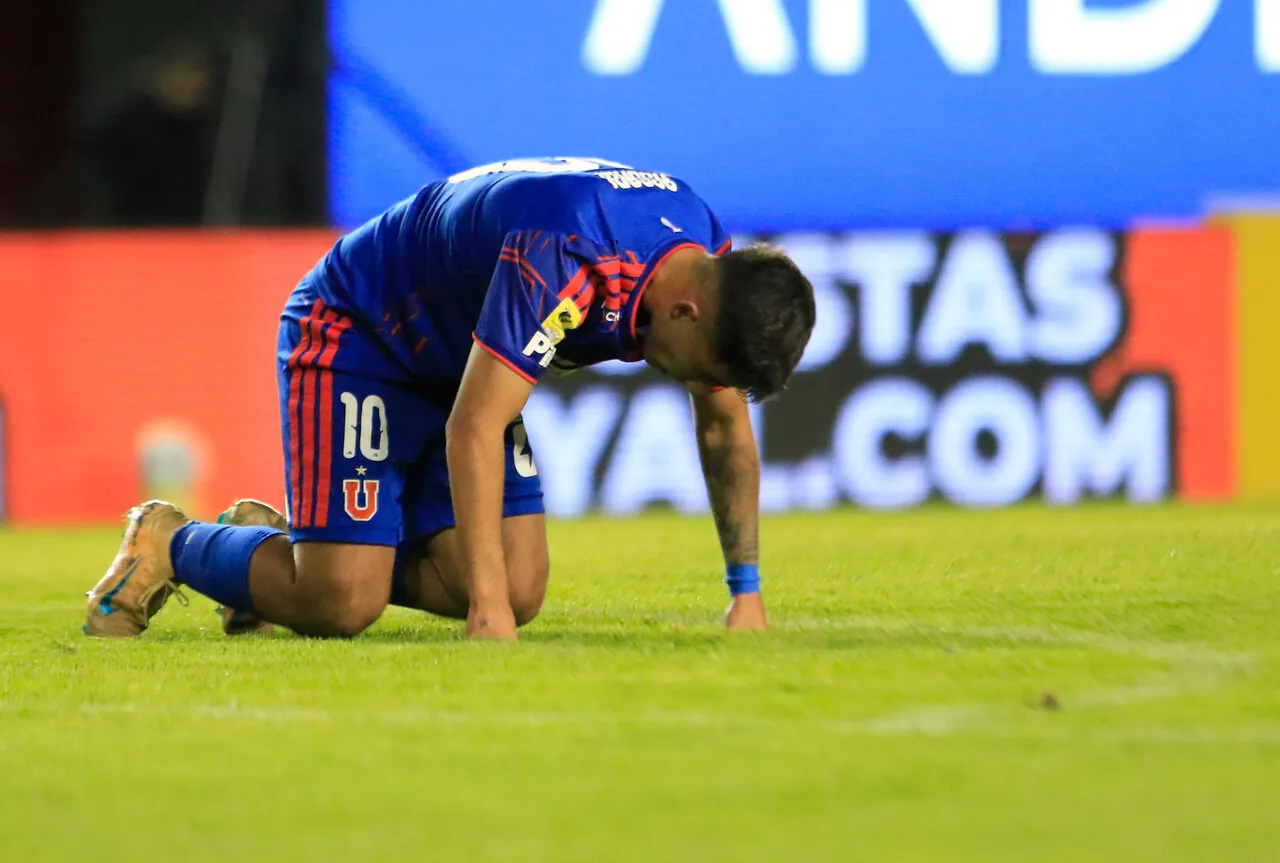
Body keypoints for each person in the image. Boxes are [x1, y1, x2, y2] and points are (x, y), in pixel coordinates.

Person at [83, 157, 815, 641]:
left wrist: (744, 593)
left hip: (461, 357)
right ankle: (172, 541)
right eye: (702, 370)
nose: (698, 384)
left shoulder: (706, 257)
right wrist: (484, 612)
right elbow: (476, 424)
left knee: (519, 587)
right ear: (687, 311)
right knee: (345, 603)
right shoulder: (568, 249)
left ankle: (290, 556)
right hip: (363, 333)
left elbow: (724, 433)